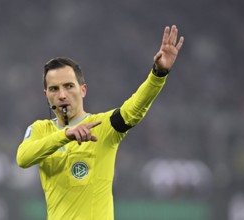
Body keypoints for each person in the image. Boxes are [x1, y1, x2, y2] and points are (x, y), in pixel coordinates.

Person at [16, 25, 184, 220]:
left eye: (69, 86)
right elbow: (23, 158)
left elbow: (133, 110)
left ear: (83, 90)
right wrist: (65, 135)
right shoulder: (40, 129)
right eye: (54, 89)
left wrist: (158, 75)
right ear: (46, 96)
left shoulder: (102, 126)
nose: (62, 95)